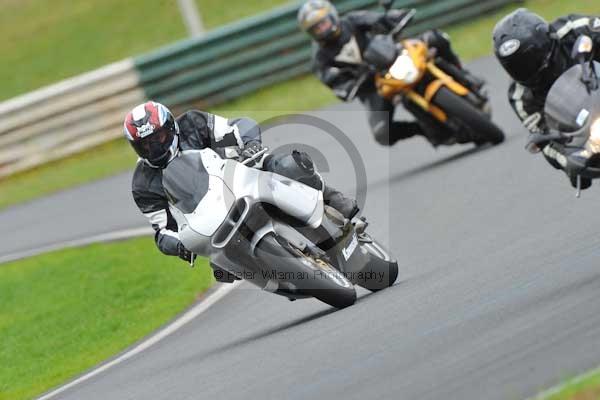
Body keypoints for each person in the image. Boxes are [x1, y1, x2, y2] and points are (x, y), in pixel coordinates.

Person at [124, 101, 358, 264]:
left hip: (239, 175)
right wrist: (179, 246)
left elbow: (236, 126)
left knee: (285, 166)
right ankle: (278, 273)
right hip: (209, 218)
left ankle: (333, 199)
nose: (155, 146)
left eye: (159, 138)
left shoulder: (192, 123)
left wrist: (249, 144)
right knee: (220, 268)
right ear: (136, 147)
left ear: (170, 127)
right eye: (146, 145)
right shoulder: (142, 184)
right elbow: (163, 230)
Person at [298, 0, 484, 146]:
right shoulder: (319, 58)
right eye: (317, 28)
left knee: (436, 38)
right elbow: (334, 83)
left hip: (392, 56)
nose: (322, 29)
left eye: (323, 23)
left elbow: (377, 19)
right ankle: (425, 129)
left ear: (332, 16)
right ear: (311, 33)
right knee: (381, 133)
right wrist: (349, 86)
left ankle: (466, 76)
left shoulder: (351, 21)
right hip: (372, 86)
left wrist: (394, 18)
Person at [493, 8, 600, 189]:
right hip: (590, 125)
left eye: (530, 58)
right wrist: (568, 161)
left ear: (547, 40)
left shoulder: (574, 29)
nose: (527, 68)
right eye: (518, 66)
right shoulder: (520, 97)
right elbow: (544, 139)